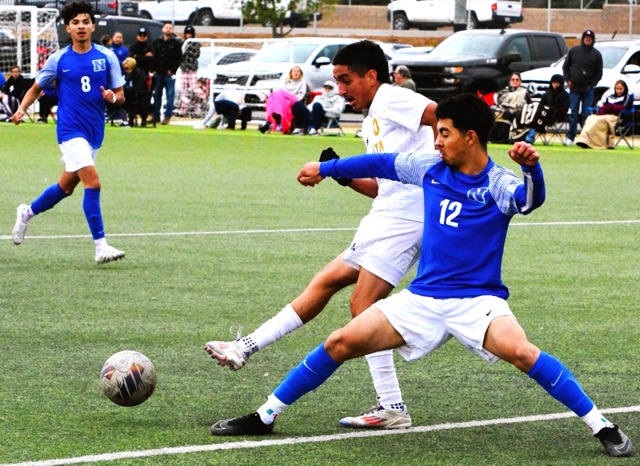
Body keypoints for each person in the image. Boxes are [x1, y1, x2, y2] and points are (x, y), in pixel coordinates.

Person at [208, 94, 634, 460]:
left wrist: (532, 170)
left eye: (445, 132)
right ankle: (265, 416)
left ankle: (602, 427)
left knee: (522, 352)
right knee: (339, 342)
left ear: (470, 137)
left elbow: (530, 201)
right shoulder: (429, 166)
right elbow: (380, 161)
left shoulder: (499, 182)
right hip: (422, 299)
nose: (437, 139)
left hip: (476, 302)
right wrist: (328, 169)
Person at [205, 39, 439, 430]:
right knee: (327, 280)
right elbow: (382, 186)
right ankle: (244, 348)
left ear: (371, 76)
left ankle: (393, 406)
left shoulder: (392, 97)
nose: (341, 89)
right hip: (385, 212)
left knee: (362, 307)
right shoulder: (371, 119)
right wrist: (345, 178)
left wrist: (451, 165)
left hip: (409, 218)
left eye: (346, 80)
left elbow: (439, 115)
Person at [10, 1, 126, 265]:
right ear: (68, 28)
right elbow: (36, 88)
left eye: (85, 21)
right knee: (93, 183)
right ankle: (100, 246)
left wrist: (111, 97)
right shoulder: (59, 59)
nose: (81, 26)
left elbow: (120, 97)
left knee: (65, 187)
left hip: (94, 131)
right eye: (75, 22)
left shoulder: (107, 57)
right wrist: (21, 109)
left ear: (93, 26)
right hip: (70, 131)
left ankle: (27, 213)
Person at [563, 29, 603, 146]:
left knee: (587, 114)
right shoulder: (574, 51)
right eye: (586, 37)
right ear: (583, 38)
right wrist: (568, 80)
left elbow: (599, 72)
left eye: (590, 38)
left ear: (592, 39)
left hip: (588, 89)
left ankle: (585, 138)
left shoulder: (596, 54)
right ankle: (570, 137)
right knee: (573, 113)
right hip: (574, 88)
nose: (587, 39)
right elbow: (566, 67)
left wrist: (592, 84)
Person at [575, 80, 633, 150]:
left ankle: (597, 143)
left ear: (624, 89)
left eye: (621, 89)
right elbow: (603, 106)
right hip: (604, 114)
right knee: (590, 118)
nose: (619, 91)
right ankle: (584, 140)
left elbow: (624, 108)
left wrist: (611, 108)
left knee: (600, 120)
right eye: (617, 89)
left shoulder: (627, 97)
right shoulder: (610, 97)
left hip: (616, 116)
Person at [259, 65, 308, 134]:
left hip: (293, 100)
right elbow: (280, 90)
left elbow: (300, 96)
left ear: (300, 73)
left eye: (298, 71)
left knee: (279, 96)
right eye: (294, 71)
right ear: (291, 73)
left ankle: (269, 123)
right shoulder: (285, 81)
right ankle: (275, 120)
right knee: (274, 96)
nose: (296, 73)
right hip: (282, 99)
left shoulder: (302, 83)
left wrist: (288, 97)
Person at [524, 74, 570, 144]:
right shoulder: (547, 94)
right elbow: (541, 105)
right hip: (543, 115)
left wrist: (553, 110)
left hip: (557, 116)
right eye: (554, 82)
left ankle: (530, 137)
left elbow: (565, 108)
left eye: (557, 83)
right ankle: (528, 136)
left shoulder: (565, 95)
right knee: (533, 116)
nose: (555, 85)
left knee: (535, 118)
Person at [151, 22, 182, 125]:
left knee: (170, 95)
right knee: (157, 95)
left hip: (169, 74)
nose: (168, 29)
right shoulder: (157, 42)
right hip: (158, 73)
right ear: (162, 29)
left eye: (170, 28)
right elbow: (153, 56)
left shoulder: (176, 43)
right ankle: (156, 116)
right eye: (166, 27)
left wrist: (172, 70)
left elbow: (179, 58)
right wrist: (153, 69)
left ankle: (167, 116)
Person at [488, 72, 531, 143]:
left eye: (517, 80)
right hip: (501, 112)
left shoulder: (523, 92)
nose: (515, 81)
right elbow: (498, 103)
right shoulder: (504, 92)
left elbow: (525, 106)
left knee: (503, 117)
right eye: (513, 79)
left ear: (520, 81)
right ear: (510, 81)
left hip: (516, 114)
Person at [178, 25, 201, 117]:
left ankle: (197, 110)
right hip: (184, 69)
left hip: (192, 70)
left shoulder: (195, 43)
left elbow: (195, 55)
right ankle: (183, 110)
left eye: (190, 33)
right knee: (183, 90)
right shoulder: (182, 43)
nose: (188, 35)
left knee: (195, 90)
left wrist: (185, 52)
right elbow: (179, 55)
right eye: (187, 33)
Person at [122, 57, 151, 127]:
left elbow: (139, 87)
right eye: (124, 69)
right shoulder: (127, 74)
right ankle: (128, 119)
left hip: (140, 95)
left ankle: (141, 121)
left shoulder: (139, 74)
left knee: (130, 99)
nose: (126, 70)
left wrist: (126, 88)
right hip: (130, 94)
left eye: (127, 68)